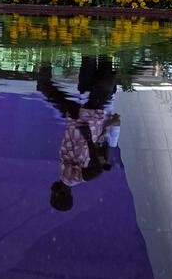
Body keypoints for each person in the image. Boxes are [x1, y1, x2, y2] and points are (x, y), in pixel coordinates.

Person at [36, 57, 119, 212]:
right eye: (52, 195)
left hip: (85, 117)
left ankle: (45, 73)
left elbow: (79, 149)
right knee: (101, 77)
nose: (51, 190)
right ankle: (45, 65)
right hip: (86, 118)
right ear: (60, 195)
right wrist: (88, 137)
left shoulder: (68, 175)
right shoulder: (69, 178)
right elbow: (97, 170)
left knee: (102, 73)